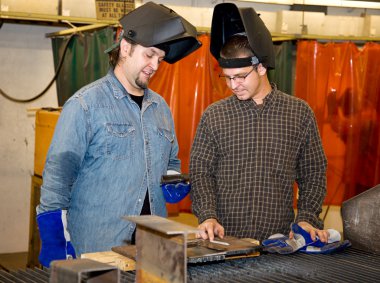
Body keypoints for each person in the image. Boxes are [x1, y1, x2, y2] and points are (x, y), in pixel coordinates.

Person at [36, 2, 201, 267]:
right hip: (99, 247)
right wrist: (55, 239)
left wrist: (171, 180)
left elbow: (170, 161)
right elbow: (58, 179)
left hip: (152, 249)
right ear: (125, 47)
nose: (155, 65)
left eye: (159, 58)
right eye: (149, 55)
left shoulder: (161, 108)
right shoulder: (85, 105)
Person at [190, 3, 329, 246]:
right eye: (228, 78)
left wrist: (308, 217)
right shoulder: (215, 116)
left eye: (241, 76)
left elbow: (313, 171)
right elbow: (201, 172)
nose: (233, 85)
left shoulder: (298, 113)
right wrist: (207, 215)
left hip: (279, 240)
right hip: (225, 239)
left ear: (262, 66)